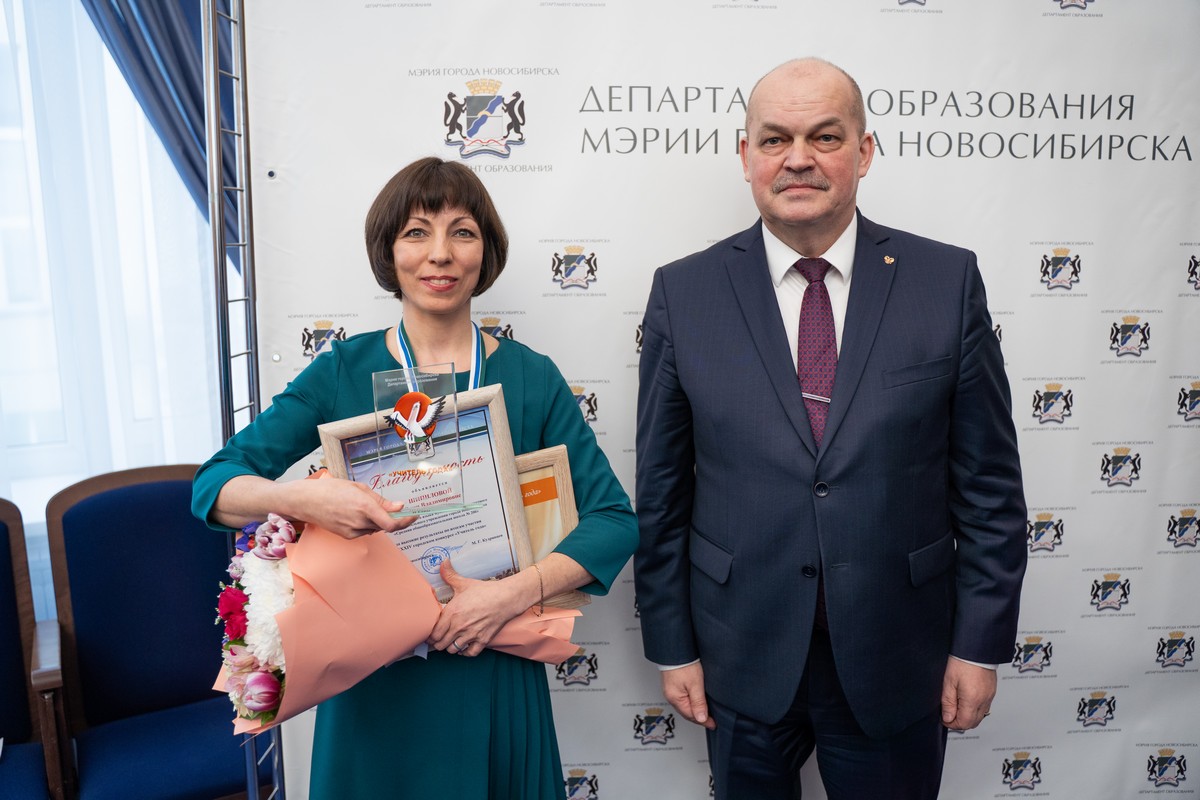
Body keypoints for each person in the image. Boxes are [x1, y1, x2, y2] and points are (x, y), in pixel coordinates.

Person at [634, 58, 1027, 799]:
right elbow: (660, 491)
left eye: (825, 136)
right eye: (775, 139)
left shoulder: (945, 282)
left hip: (898, 652)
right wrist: (672, 645)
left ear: (864, 151)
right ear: (745, 155)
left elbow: (989, 490)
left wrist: (979, 646)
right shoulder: (684, 293)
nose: (798, 159)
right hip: (739, 652)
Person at [193, 157, 637, 799]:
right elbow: (215, 486)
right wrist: (302, 498)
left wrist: (510, 595)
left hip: (492, 662)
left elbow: (613, 522)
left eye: (462, 232)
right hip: (373, 682)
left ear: (486, 251)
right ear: (388, 250)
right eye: (416, 232)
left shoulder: (530, 376)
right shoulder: (343, 370)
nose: (440, 254)